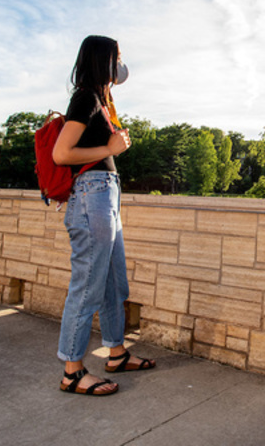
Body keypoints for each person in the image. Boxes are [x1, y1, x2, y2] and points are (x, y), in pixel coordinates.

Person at [52, 35, 155, 396]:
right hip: (92, 196)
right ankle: (72, 371)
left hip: (105, 195)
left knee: (114, 282)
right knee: (87, 285)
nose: (122, 65)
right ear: (103, 60)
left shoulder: (99, 100)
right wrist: (109, 148)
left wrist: (113, 147)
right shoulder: (84, 98)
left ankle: (116, 353)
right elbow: (61, 154)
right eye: (118, 58)